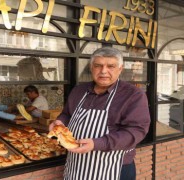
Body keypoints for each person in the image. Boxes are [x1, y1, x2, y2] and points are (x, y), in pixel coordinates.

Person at [49, 47, 150, 180]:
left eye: (111, 66)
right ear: (91, 68)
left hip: (114, 169)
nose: (103, 71)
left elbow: (136, 131)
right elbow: (67, 114)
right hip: (76, 165)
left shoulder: (133, 95)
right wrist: (60, 122)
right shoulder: (79, 90)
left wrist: (97, 143)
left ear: (120, 69)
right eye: (98, 66)